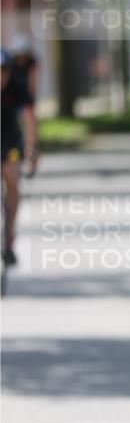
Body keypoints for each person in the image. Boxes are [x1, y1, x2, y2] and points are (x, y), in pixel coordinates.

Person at [1, 48, 38, 266]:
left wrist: (32, 147)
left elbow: (29, 117)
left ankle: (9, 234)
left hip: (10, 141)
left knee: (12, 179)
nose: (1, 76)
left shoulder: (16, 87)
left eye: (4, 70)